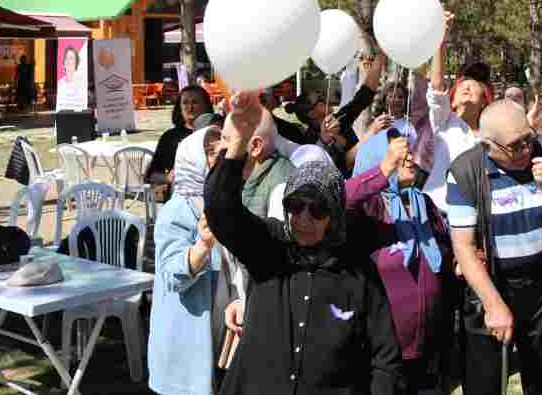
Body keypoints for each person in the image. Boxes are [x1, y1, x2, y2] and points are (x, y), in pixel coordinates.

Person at [205, 91, 403, 395]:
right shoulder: (268, 249)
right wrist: (237, 148)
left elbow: (385, 358)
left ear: (334, 216)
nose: (304, 218)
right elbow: (221, 211)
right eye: (296, 206)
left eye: (318, 209)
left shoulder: (357, 272)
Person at [446, 100, 542, 395]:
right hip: (491, 286)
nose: (525, 150)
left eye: (528, 138)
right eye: (515, 145)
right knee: (485, 383)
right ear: (487, 146)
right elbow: (464, 248)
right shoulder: (464, 171)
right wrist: (494, 305)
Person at [353, 132, 453, 395]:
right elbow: (339, 197)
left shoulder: (425, 204)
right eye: (399, 154)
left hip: (430, 348)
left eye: (409, 152)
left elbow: (443, 253)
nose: (409, 159)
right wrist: (385, 168)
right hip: (383, 354)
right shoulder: (368, 208)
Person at [148, 123, 225, 395]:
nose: (219, 152)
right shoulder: (177, 210)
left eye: (221, 145)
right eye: (209, 149)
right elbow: (172, 275)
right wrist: (202, 245)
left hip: (220, 333)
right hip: (186, 341)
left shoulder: (225, 201)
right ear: (190, 158)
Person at [427, 12, 493, 211]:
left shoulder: (492, 135)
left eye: (473, 86)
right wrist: (441, 38)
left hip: (477, 214)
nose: (466, 87)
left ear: (484, 100)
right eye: (463, 84)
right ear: (452, 100)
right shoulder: (444, 121)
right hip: (439, 213)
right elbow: (437, 84)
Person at [288, 53, 386, 175]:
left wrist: (380, 56)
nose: (327, 98)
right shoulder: (313, 141)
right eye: (321, 100)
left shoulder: (338, 120)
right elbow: (344, 163)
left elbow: (363, 97)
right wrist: (371, 132)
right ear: (312, 114)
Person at [148, 85, 213, 193]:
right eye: (185, 103)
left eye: (195, 102)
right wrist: (168, 177)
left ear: (206, 105)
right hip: (181, 196)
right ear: (179, 107)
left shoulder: (215, 133)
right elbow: (151, 175)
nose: (190, 107)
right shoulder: (170, 137)